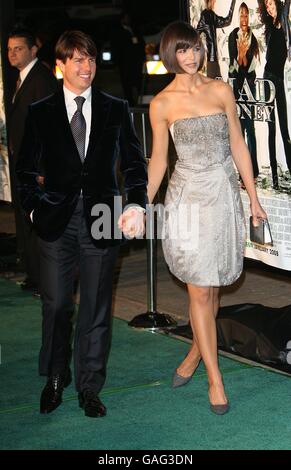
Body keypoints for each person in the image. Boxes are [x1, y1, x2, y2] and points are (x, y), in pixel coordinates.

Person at [16, 30, 147, 417]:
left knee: (95, 307)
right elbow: (24, 173)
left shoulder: (115, 107)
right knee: (56, 305)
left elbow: (135, 164)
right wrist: (36, 210)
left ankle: (89, 386)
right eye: (77, 59)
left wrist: (137, 205)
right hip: (56, 220)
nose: (86, 66)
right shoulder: (41, 112)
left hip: (103, 218)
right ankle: (56, 376)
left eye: (90, 59)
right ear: (60, 66)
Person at [147, 21, 266, 414]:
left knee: (212, 288)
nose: (191, 56)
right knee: (198, 289)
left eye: (195, 48)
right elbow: (160, 160)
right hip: (187, 199)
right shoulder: (162, 103)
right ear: (169, 54)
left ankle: (197, 353)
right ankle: (215, 379)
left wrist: (253, 198)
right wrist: (139, 204)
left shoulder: (220, 89)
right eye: (182, 50)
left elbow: (237, 143)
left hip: (222, 195)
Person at [7, 27, 58, 293]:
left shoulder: (41, 78)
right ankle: (35, 275)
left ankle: (46, 279)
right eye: (9, 49)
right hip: (23, 163)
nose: (12, 54)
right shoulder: (21, 78)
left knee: (40, 221)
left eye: (18, 49)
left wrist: (41, 167)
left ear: (33, 50)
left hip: (36, 166)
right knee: (28, 219)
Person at [258, 0, 291, 189]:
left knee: (285, 129)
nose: (270, 8)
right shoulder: (269, 26)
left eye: (271, 4)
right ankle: (274, 178)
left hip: (279, 79)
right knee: (271, 129)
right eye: (267, 6)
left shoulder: (285, 21)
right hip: (268, 79)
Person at [228, 2, 260, 182]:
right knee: (238, 131)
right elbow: (233, 68)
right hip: (236, 89)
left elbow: (249, 69)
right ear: (238, 17)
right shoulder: (233, 36)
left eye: (246, 15)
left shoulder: (253, 38)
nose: (244, 18)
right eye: (241, 15)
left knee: (251, 130)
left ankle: (253, 172)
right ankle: (242, 173)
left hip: (249, 87)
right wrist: (240, 54)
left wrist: (243, 56)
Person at [111, 11, 146, 106]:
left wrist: (142, 55)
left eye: (128, 18)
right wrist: (116, 62)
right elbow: (116, 47)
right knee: (127, 83)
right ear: (122, 19)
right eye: (126, 18)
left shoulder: (134, 29)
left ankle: (141, 100)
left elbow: (141, 43)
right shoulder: (118, 32)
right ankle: (130, 102)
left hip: (136, 61)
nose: (128, 20)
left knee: (139, 80)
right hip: (125, 62)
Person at [197, 0, 236, 78]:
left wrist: (233, 3)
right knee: (215, 86)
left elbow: (227, 21)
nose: (215, 2)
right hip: (211, 61)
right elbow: (195, 34)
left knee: (217, 85)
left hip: (214, 60)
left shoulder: (212, 15)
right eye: (214, 0)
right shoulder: (205, 15)